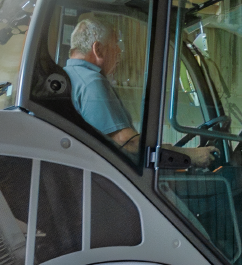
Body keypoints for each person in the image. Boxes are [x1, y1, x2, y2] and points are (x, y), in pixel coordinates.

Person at [65, 17, 217, 169]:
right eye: (115, 45)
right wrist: (190, 156)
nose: (119, 51)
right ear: (97, 49)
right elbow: (128, 143)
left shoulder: (71, 76)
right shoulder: (92, 83)